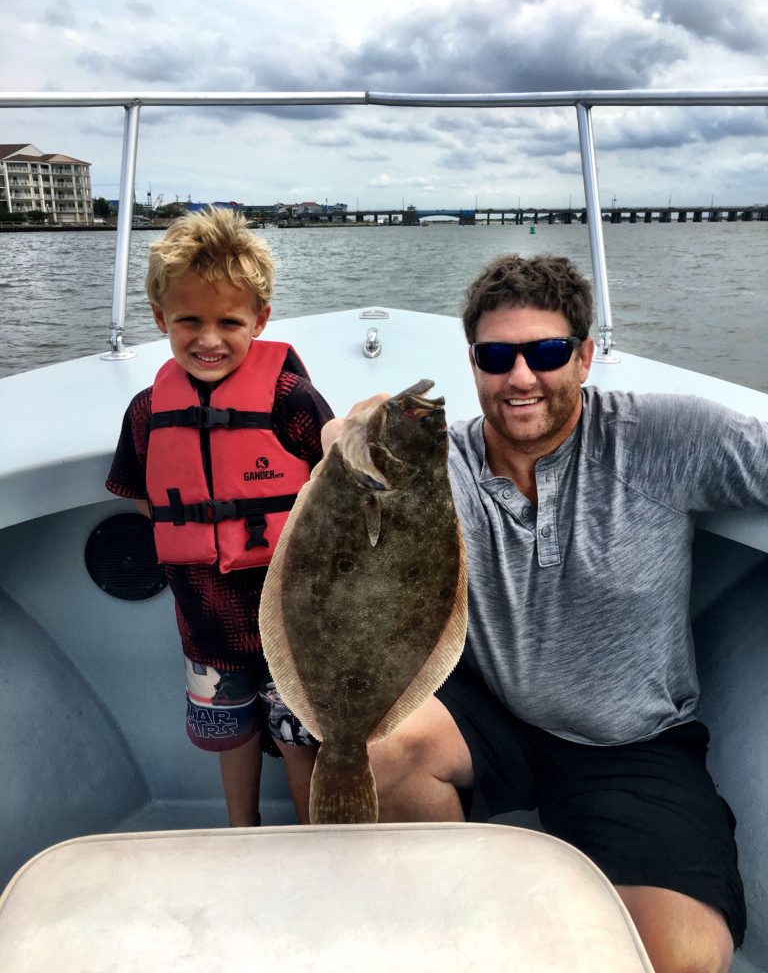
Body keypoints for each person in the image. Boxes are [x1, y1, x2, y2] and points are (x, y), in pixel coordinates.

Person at [325, 254, 768, 973]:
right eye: (498, 357)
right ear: (473, 364)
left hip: (632, 744)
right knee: (375, 747)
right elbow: (359, 434)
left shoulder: (659, 438)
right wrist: (346, 434)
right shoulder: (446, 463)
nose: (521, 377)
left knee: (682, 958)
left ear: (585, 357)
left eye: (548, 352)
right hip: (495, 717)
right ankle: (452, 925)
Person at [106, 207, 326, 826]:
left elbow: (333, 481)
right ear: (159, 319)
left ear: (260, 321)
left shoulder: (290, 398)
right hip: (206, 620)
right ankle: (243, 833)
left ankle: (317, 844)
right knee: (231, 739)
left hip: (294, 620)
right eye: (188, 321)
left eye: (229, 322)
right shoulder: (148, 411)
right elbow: (145, 493)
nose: (209, 339)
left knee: (301, 739)